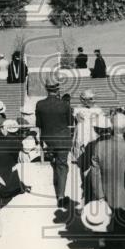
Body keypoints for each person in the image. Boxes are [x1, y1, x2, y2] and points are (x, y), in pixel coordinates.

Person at [34, 79, 74, 209]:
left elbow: (39, 124)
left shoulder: (39, 104)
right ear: (58, 89)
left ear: (46, 88)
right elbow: (69, 122)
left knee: (55, 163)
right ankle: (61, 196)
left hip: (48, 140)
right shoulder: (65, 105)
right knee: (62, 166)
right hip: (63, 139)